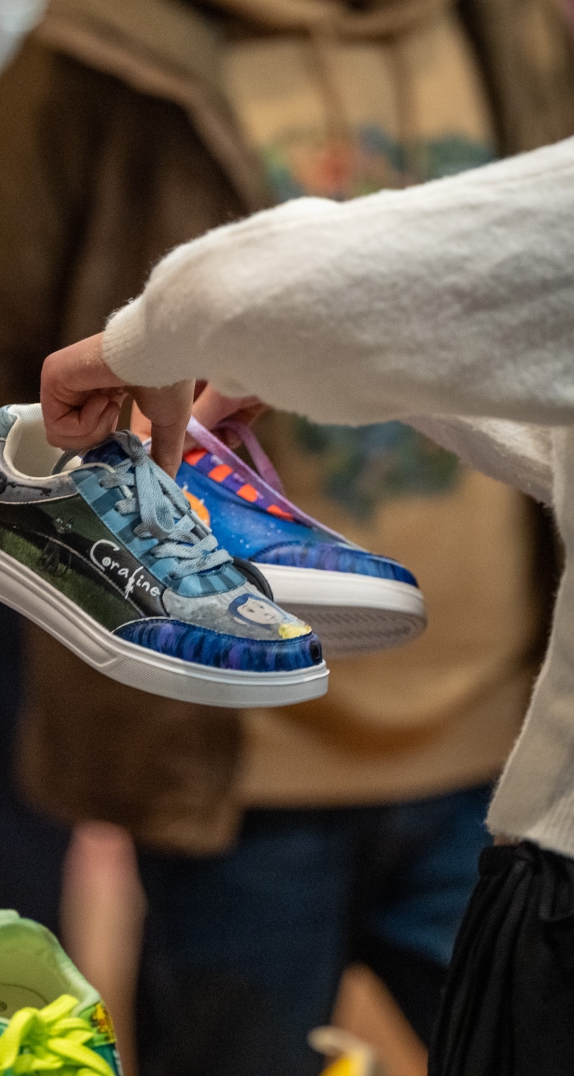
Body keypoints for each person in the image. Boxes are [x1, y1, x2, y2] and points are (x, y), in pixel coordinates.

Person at [0, 2, 573, 1071]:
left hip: (500, 746)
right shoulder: (104, 45)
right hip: (235, 770)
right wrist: (93, 498)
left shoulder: (517, 28)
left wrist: (214, 326)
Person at [40, 133, 574, 1075]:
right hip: (279, 786)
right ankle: (64, 503)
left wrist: (147, 340)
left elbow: (243, 289)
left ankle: (52, 500)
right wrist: (296, 358)